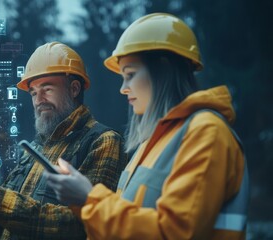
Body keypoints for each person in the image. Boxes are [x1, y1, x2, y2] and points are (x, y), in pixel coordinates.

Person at [45, 13, 249, 239]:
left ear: (162, 68)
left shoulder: (207, 133)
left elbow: (174, 233)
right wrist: (83, 201)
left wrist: (89, 198)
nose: (123, 88)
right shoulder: (149, 144)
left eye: (130, 75)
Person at [0, 42, 128, 239]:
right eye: (33, 92)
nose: (38, 100)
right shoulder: (34, 150)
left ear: (74, 89)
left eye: (47, 89)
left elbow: (83, 226)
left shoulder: (102, 142)